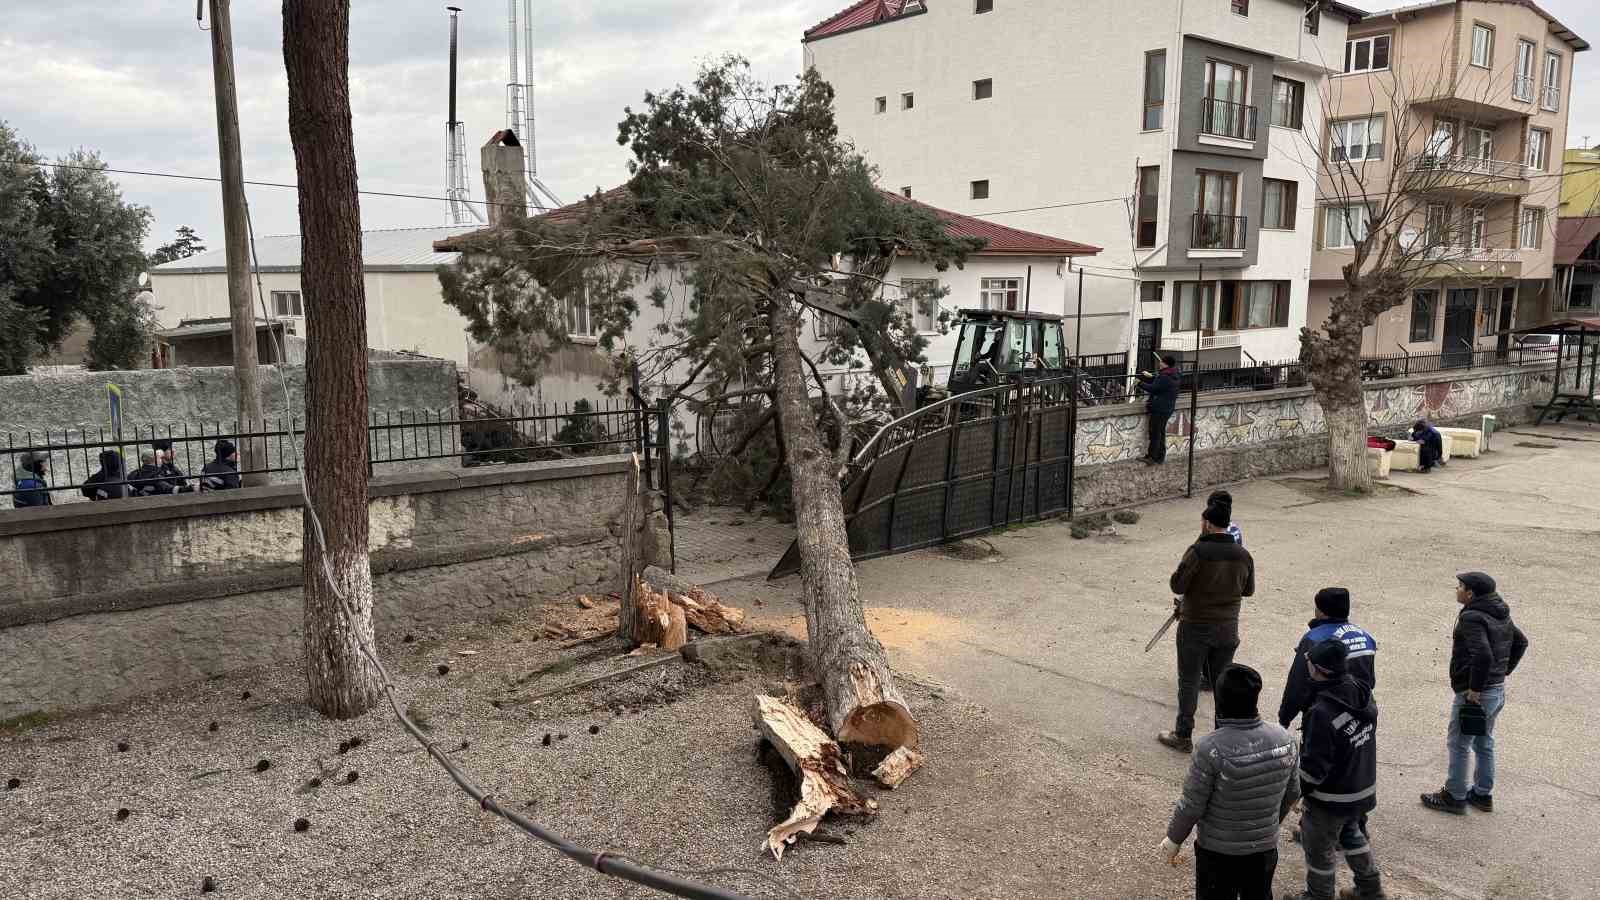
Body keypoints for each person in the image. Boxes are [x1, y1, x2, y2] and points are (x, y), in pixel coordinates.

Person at [1159, 664, 1299, 900]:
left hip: (1218, 854)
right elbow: (1293, 792)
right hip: (1263, 851)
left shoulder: (1210, 748)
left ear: (1219, 701)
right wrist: (1269, 826)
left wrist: (1174, 839)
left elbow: (1192, 805)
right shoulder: (1284, 739)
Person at [1420, 572, 1529, 816]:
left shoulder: (1472, 617)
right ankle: (1482, 794)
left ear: (1471, 594)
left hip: (1478, 694)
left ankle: (1455, 796)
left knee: (1459, 743)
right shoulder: (1499, 610)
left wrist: (1475, 690)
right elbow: (1521, 642)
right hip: (1496, 690)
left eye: (1460, 586)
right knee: (1484, 741)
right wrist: (1502, 673)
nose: (1456, 589)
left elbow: (1483, 655)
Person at [1158, 497, 1255, 753]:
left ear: (1208, 524)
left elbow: (1178, 585)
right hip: (1227, 628)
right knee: (1222, 684)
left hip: (1195, 627)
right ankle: (1221, 741)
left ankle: (1183, 735)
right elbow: (1249, 590)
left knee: (1189, 681)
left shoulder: (1198, 551)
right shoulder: (1243, 555)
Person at [1291, 639, 1385, 900]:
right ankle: (1370, 889)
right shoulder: (1361, 690)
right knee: (1351, 834)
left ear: (1318, 669)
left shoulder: (1322, 711)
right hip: (1359, 786)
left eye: (1308, 661)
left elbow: (1314, 769)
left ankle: (1318, 896)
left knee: (1318, 847)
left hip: (1331, 798)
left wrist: (1295, 793)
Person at [1278, 588, 1377, 730]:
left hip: (1325, 717)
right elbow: (1370, 681)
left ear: (1322, 612)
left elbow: (1297, 685)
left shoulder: (1313, 639)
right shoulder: (1366, 637)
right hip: (1360, 716)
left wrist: (1284, 719)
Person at [1135, 355, 1181, 465]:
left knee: (1155, 433)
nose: (1159, 363)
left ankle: (1152, 457)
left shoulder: (1165, 377)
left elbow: (1154, 389)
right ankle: (1160, 457)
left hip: (1160, 408)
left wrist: (1139, 383)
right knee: (1160, 432)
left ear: (1165, 364)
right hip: (1167, 408)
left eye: (1161, 362)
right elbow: (1160, 383)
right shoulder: (1173, 374)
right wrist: (1152, 377)